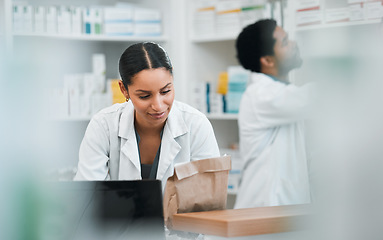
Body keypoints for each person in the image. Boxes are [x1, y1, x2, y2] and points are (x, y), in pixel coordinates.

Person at [74, 42, 220, 190]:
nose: (158, 106)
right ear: (124, 89)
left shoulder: (196, 125)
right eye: (144, 96)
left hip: (181, 215)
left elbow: (209, 197)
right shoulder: (103, 126)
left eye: (165, 91)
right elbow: (88, 195)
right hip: (118, 214)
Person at [234, 19, 313, 208]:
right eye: (285, 42)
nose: (294, 45)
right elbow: (313, 98)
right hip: (263, 210)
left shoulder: (282, 93)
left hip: (283, 211)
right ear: (267, 60)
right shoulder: (260, 94)